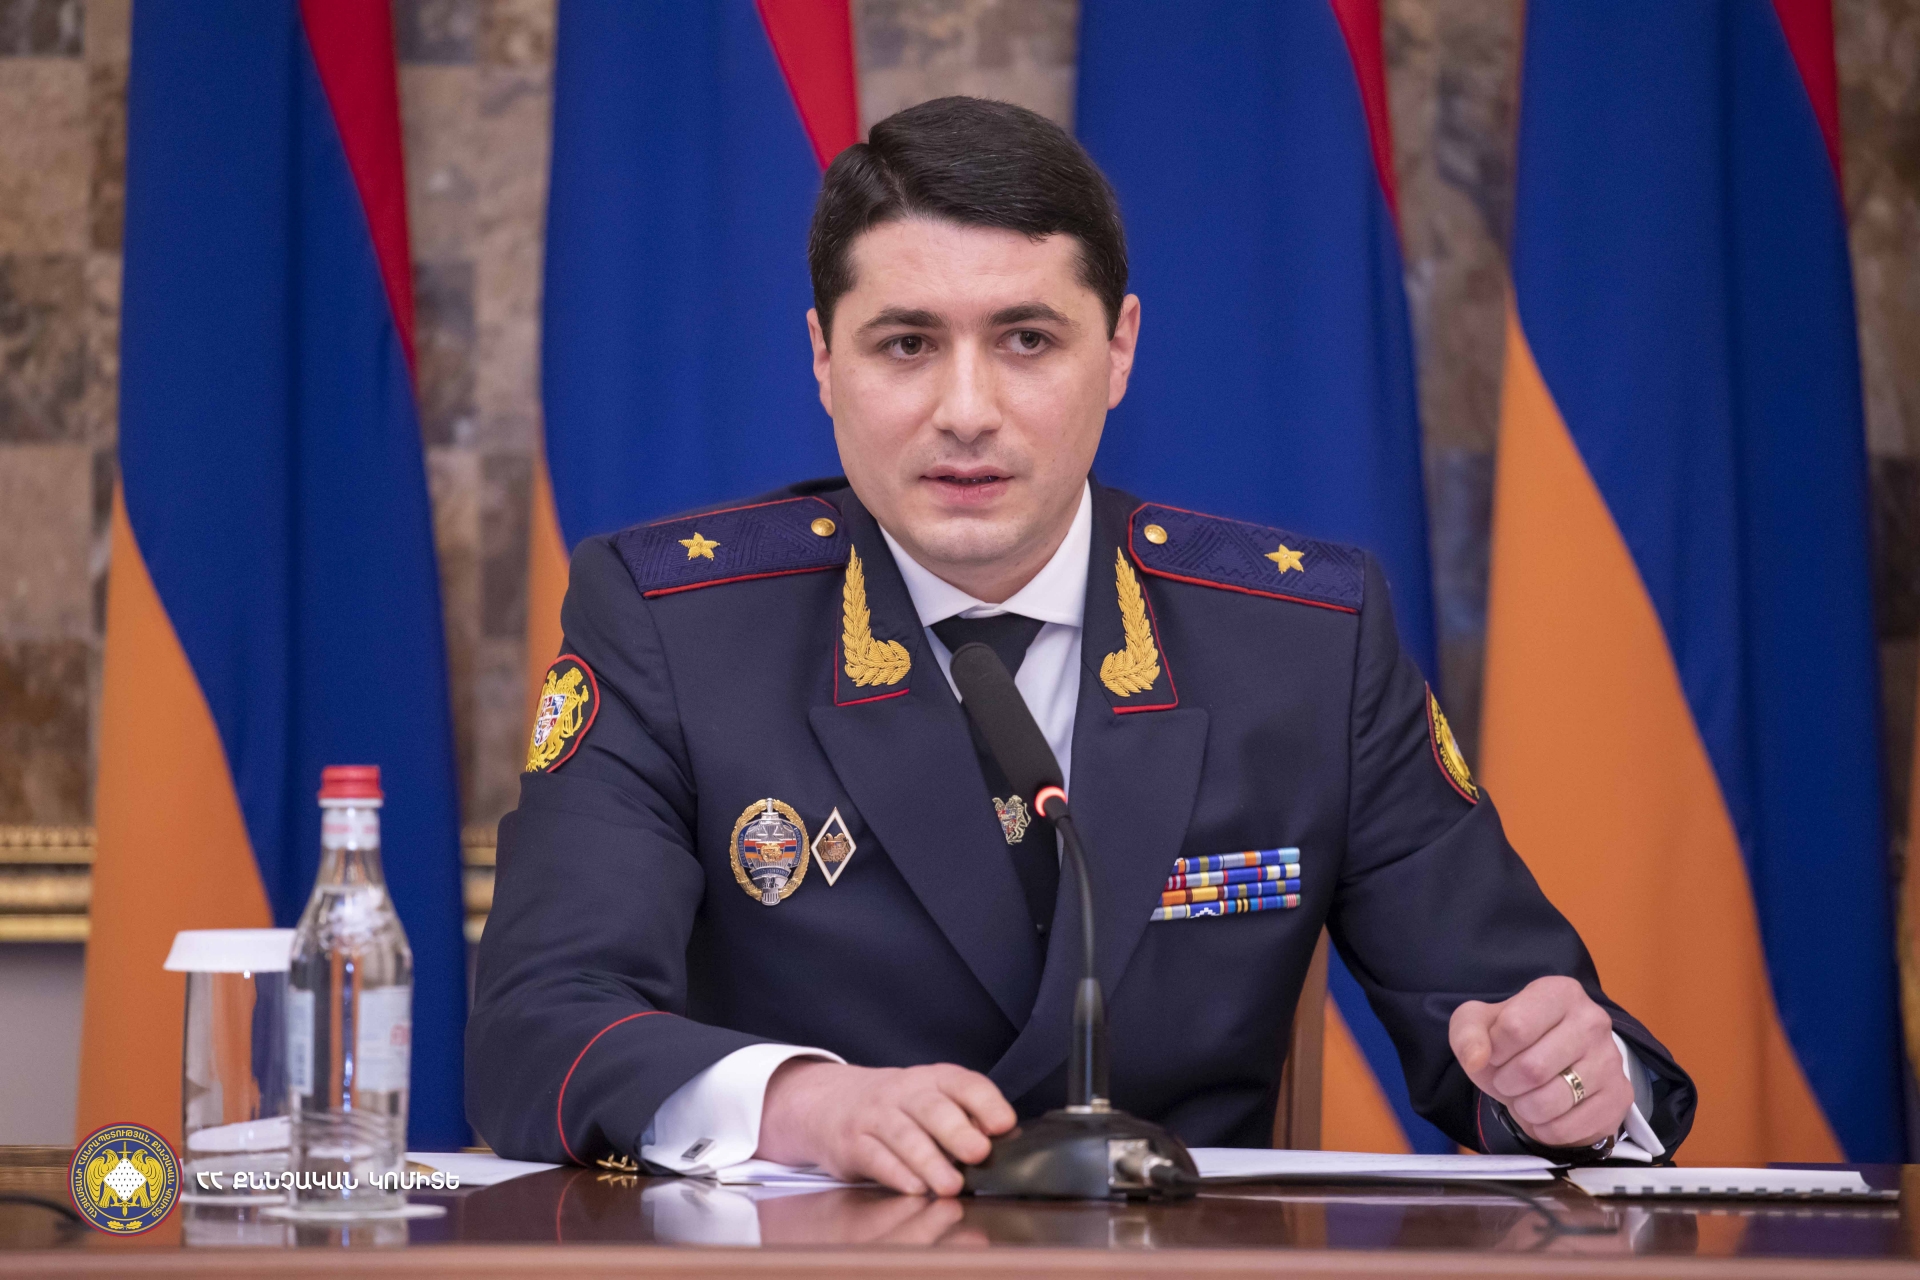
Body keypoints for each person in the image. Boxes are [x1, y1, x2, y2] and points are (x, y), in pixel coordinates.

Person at [469, 96, 1694, 1195]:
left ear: (1119, 350)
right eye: (906, 344)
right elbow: (539, 1026)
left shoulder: (1302, 640)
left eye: (1027, 339)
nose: (966, 411)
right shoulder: (676, 625)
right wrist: (803, 1105)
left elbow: (1521, 1018)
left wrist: (1568, 1082)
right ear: (822, 360)